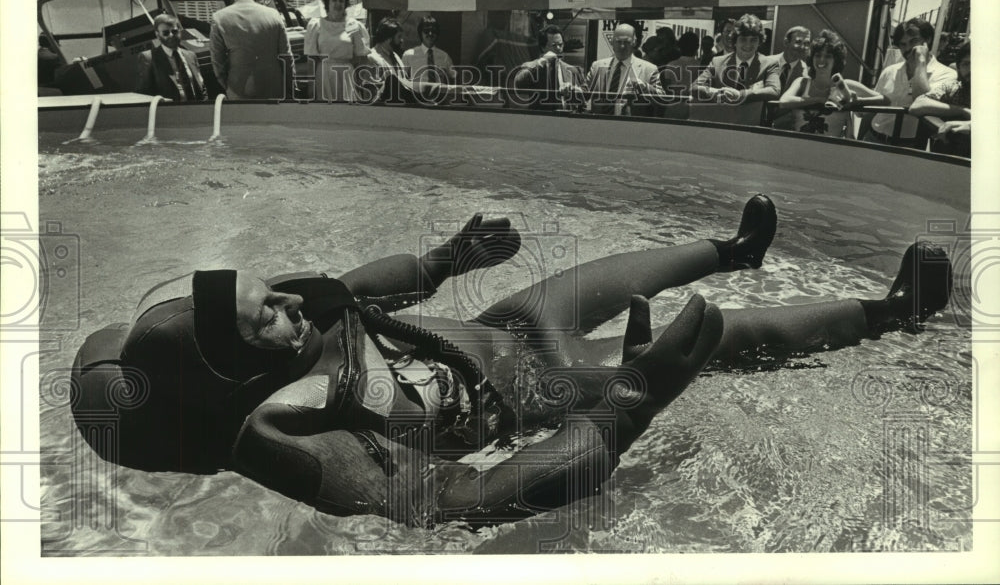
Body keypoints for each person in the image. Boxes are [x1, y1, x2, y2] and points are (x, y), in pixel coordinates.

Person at [70, 197, 952, 527]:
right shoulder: (286, 430)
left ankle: (732, 249)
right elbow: (462, 502)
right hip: (534, 388)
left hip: (499, 331)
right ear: (228, 367)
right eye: (267, 314)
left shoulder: (301, 313)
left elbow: (371, 283)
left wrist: (450, 257)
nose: (292, 305)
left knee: (604, 277)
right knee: (723, 338)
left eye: (272, 295)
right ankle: (891, 313)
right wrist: (627, 406)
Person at [863, 18, 957, 147]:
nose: (908, 48)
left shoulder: (946, 74)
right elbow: (873, 110)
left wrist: (920, 62)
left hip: (908, 147)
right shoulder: (890, 71)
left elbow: (922, 102)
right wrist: (860, 140)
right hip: (873, 138)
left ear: (928, 40)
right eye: (903, 44)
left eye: (913, 41)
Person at [774, 30, 886, 135]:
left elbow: (884, 100)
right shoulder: (802, 82)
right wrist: (819, 100)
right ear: (812, 58)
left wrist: (858, 102)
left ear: (836, 60)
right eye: (818, 55)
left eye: (828, 56)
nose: (821, 60)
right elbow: (784, 101)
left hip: (832, 147)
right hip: (799, 145)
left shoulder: (846, 85)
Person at [209, 0, 293, 100]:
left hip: (239, 92)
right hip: (274, 92)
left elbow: (217, 61)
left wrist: (228, 85)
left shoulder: (219, 18)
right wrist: (290, 86)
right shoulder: (274, 15)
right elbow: (286, 56)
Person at [691, 14, 780, 107]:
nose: (748, 44)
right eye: (743, 39)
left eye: (753, 40)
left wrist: (740, 95)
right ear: (735, 41)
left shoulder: (769, 64)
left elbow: (774, 90)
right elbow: (694, 87)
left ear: (759, 42)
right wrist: (714, 92)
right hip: (721, 115)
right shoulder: (717, 62)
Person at [303, 0, 370, 102]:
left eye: (341, 0)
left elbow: (362, 57)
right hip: (324, 75)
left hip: (346, 75)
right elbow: (311, 59)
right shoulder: (317, 25)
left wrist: (361, 84)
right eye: (334, 0)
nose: (338, 4)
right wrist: (311, 87)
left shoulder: (352, 25)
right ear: (327, 2)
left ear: (345, 4)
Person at [908, 40, 971, 157]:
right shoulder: (953, 88)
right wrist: (962, 111)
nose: (972, 70)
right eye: (966, 64)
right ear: (958, 68)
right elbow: (917, 105)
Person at [586, 23, 659, 116]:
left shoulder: (649, 69)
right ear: (612, 42)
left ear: (634, 42)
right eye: (618, 42)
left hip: (632, 123)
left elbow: (662, 99)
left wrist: (645, 87)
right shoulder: (597, 66)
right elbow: (583, 93)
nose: (622, 46)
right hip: (600, 122)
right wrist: (572, 89)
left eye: (627, 42)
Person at [510, 25, 585, 111]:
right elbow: (519, 84)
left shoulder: (573, 70)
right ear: (543, 47)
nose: (558, 48)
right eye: (554, 45)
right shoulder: (532, 66)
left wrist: (576, 91)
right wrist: (542, 61)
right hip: (542, 117)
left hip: (567, 117)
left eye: (560, 45)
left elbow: (585, 96)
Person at [136, 14, 207, 102]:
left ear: (180, 31)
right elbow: (145, 94)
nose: (171, 35)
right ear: (157, 35)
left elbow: (202, 87)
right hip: (168, 109)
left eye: (174, 31)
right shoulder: (148, 58)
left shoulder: (191, 55)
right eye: (165, 33)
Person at [355, 18, 413, 104]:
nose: (402, 40)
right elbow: (371, 96)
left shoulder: (395, 56)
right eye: (399, 37)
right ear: (388, 39)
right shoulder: (372, 59)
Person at [401, 15, 457, 86]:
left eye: (433, 31)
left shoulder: (444, 56)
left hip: (439, 92)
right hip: (416, 92)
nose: (430, 34)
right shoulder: (408, 55)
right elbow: (402, 80)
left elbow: (454, 77)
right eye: (426, 31)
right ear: (420, 32)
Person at [769, 26, 811, 95]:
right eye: (798, 42)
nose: (802, 47)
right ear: (786, 42)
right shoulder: (767, 62)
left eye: (806, 43)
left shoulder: (806, 73)